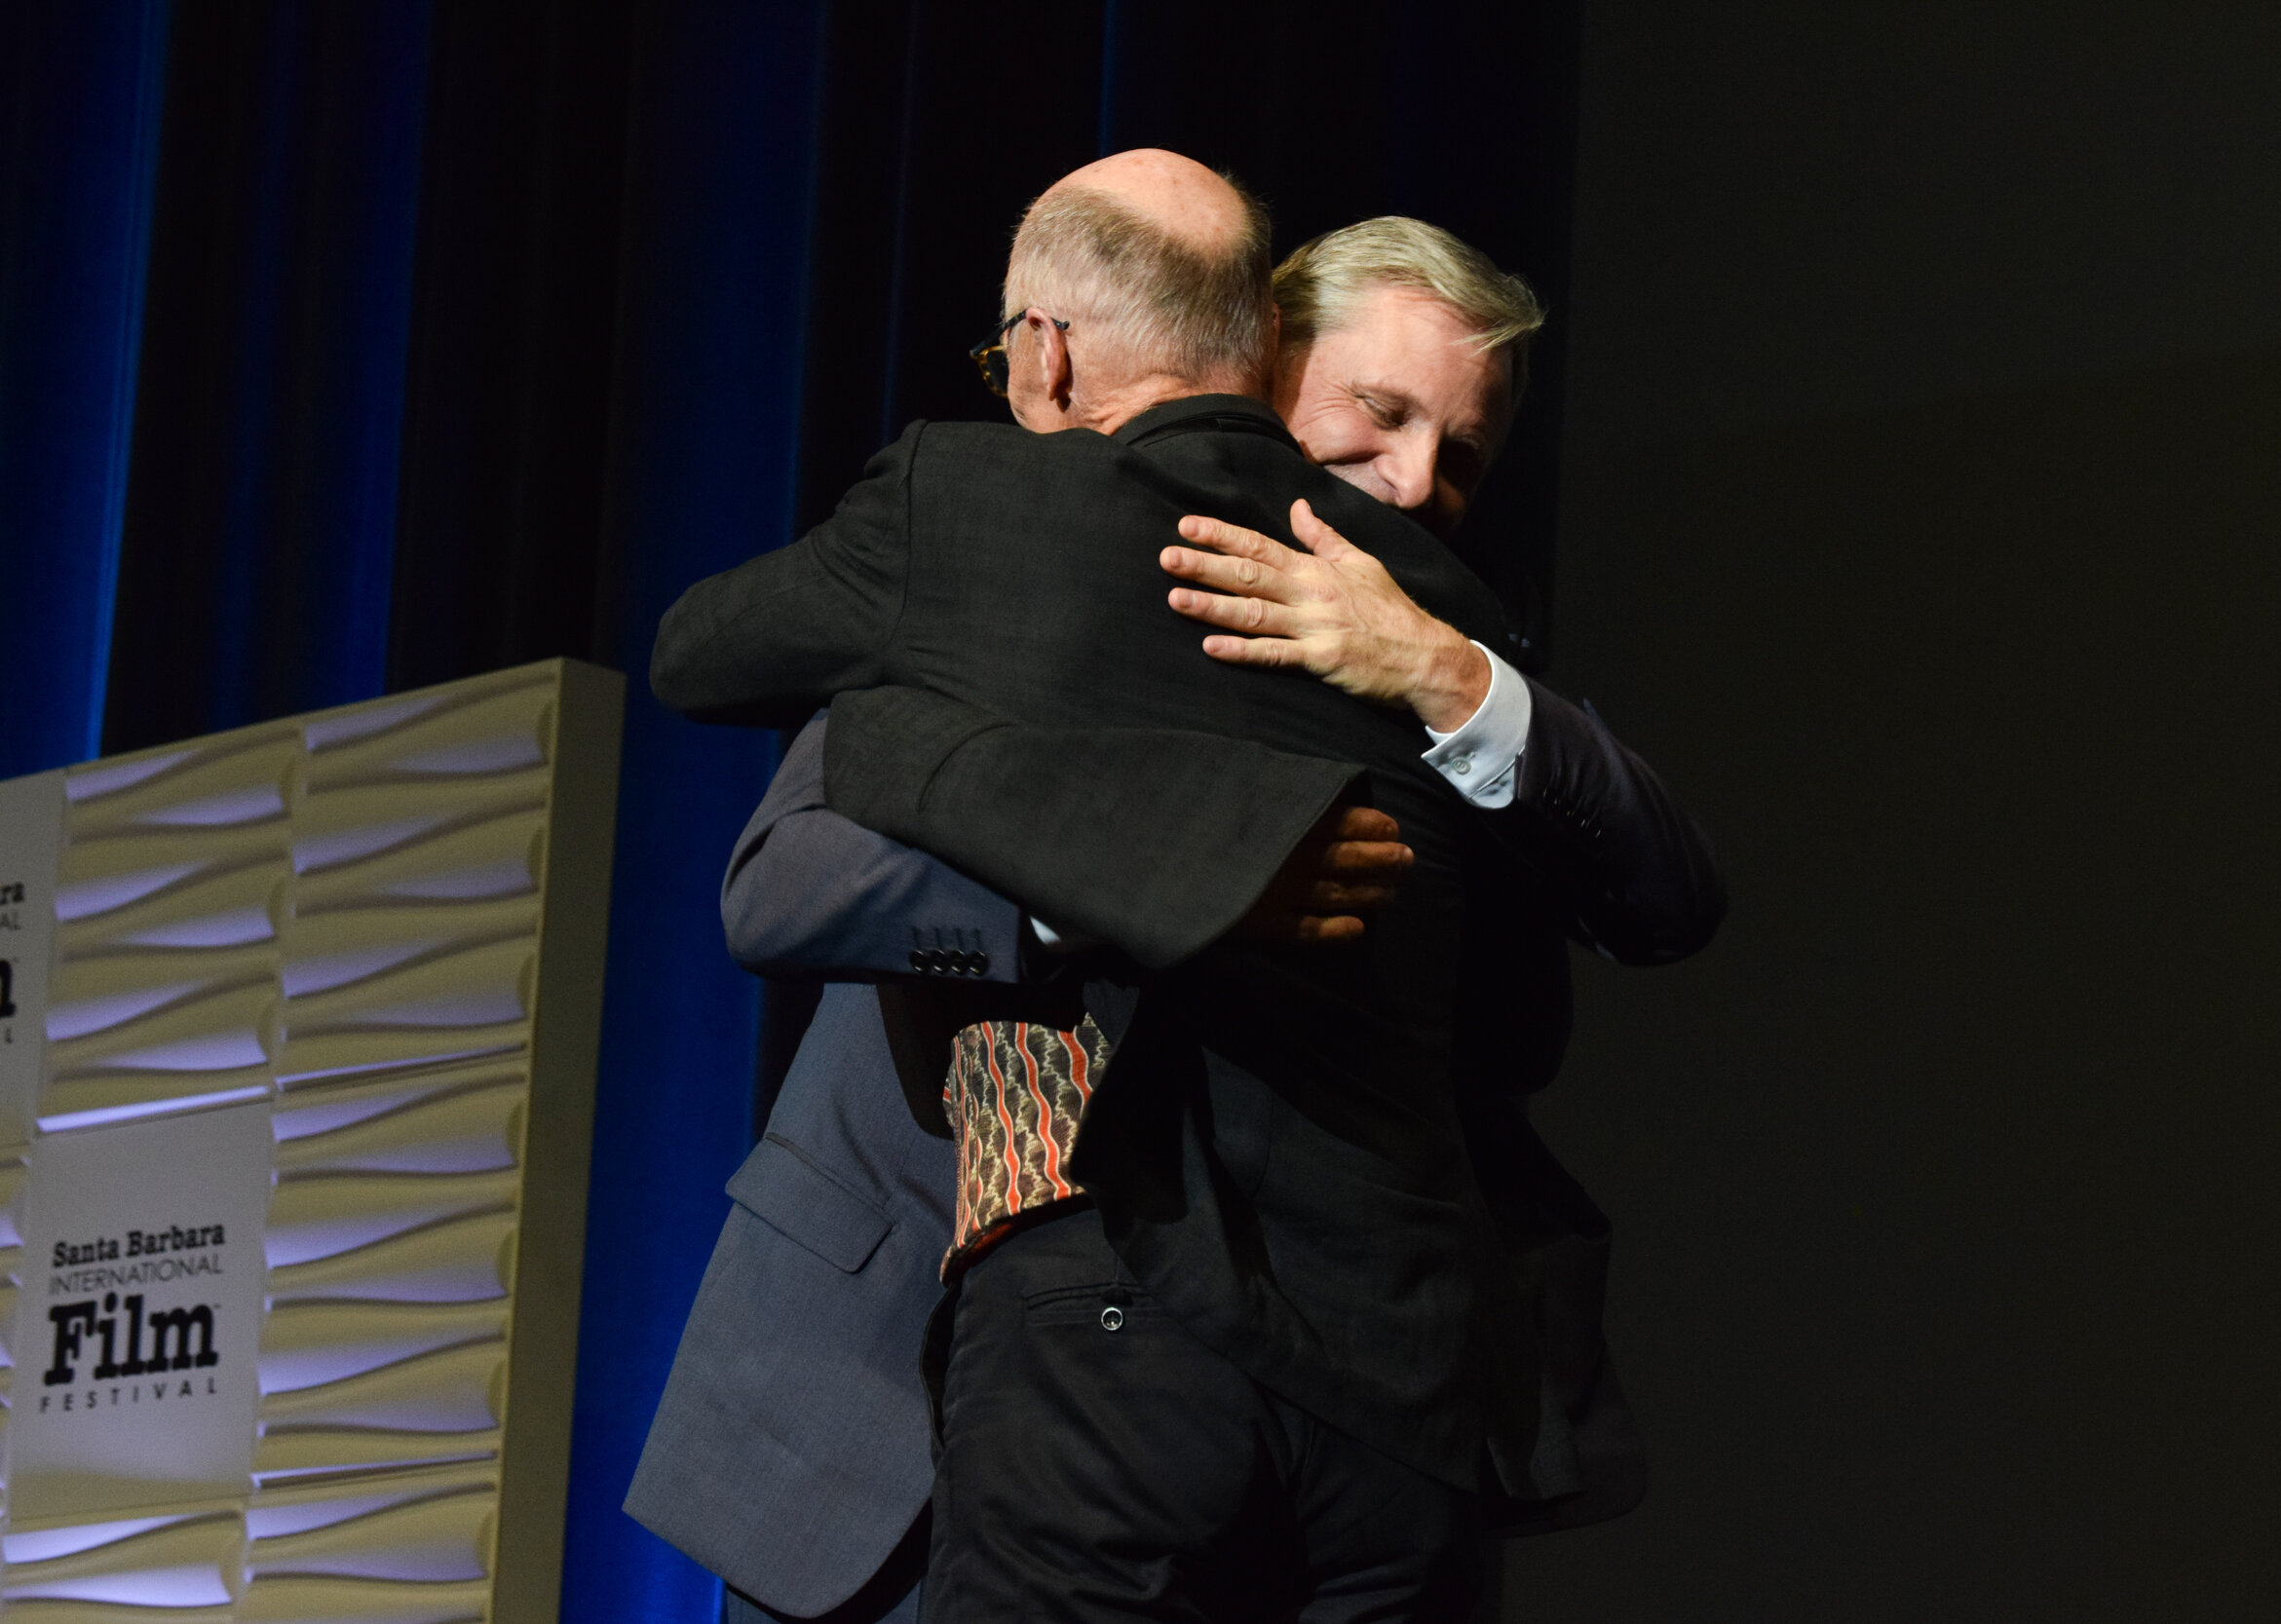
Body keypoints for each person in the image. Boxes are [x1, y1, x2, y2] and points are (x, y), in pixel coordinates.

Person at [637, 161, 1721, 1622]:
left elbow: (1606, 938)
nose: (1410, 483)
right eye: (1379, 415)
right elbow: (792, 874)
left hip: (1297, 1407)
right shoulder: (997, 559)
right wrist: (1158, 870)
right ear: (1251, 365)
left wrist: (1448, 676)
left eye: (1459, 457)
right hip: (887, 1386)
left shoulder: (1429, 652)